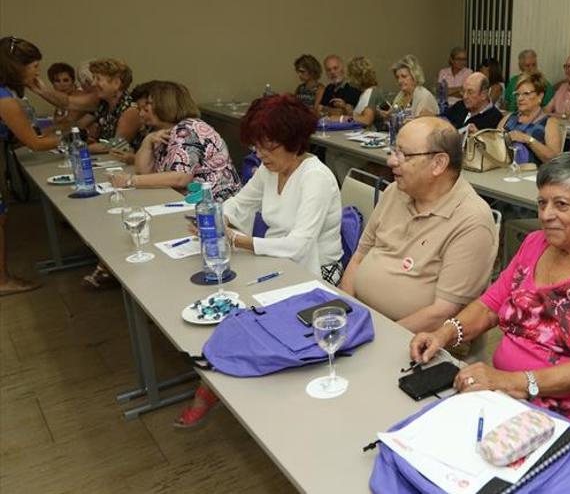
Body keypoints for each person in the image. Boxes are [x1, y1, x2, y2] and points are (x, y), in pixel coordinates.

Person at [410, 153, 570, 494]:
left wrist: (510, 380)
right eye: (542, 202)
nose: (546, 215)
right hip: (517, 411)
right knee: (432, 458)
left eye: (561, 204)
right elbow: (490, 306)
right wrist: (445, 332)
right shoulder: (535, 244)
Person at [175, 95, 343, 428]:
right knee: (231, 300)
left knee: (243, 308)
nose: (260, 154)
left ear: (293, 141)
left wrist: (237, 240)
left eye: (269, 146)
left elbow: (299, 245)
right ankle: (224, 374)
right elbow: (237, 208)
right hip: (282, 261)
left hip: (318, 272)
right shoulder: (270, 171)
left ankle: (220, 384)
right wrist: (210, 218)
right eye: (257, 146)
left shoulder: (316, 178)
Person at [339, 117, 497, 333]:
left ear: (438, 164)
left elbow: (443, 313)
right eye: (393, 151)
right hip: (361, 321)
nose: (391, 161)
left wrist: (372, 337)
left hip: (412, 340)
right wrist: (344, 313)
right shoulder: (396, 191)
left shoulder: (472, 220)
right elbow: (359, 257)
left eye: (403, 154)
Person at [109, 81, 241, 201]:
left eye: (148, 105)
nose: (143, 113)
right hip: (189, 201)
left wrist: (130, 181)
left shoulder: (188, 129)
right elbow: (143, 171)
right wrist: (147, 142)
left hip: (216, 206)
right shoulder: (165, 131)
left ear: (165, 105)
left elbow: (181, 178)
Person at [0, 36, 58, 296]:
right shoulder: (5, 99)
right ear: (16, 66)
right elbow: (34, 143)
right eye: (34, 66)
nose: (37, 72)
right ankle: (2, 280)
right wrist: (72, 137)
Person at [29, 58, 144, 154]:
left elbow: (116, 145)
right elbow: (68, 103)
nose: (93, 84)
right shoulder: (103, 103)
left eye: (98, 79)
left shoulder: (130, 110)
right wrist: (41, 90)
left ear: (116, 83)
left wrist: (79, 148)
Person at [499, 73, 563, 165]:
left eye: (526, 94)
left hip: (533, 175)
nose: (520, 98)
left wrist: (528, 139)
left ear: (540, 96)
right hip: (504, 172)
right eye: (517, 94)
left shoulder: (549, 122)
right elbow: (495, 146)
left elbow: (554, 160)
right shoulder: (508, 118)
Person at [344, 56, 384, 129]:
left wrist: (344, 118)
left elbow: (366, 120)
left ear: (357, 76)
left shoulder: (372, 92)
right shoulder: (365, 93)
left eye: (350, 75)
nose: (348, 79)